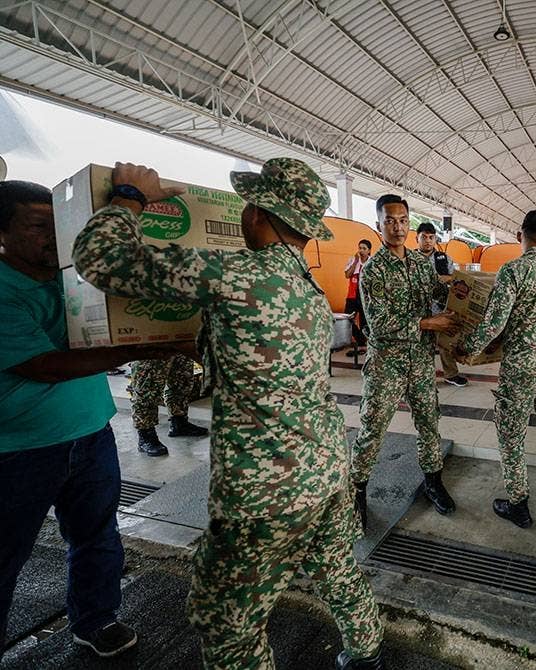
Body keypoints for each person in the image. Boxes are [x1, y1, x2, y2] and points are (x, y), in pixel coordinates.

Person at [72, 159, 385, 670]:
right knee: (337, 570)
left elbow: (101, 259)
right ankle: (367, 654)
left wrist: (129, 197)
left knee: (228, 624)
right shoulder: (307, 290)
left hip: (265, 489)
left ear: (258, 213)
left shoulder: (236, 272)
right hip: (325, 468)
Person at [0, 180, 184, 658]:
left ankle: (96, 619)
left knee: (97, 534)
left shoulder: (76, 278)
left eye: (59, 226)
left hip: (92, 434)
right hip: (20, 450)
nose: (54, 238)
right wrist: (130, 350)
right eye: (38, 227)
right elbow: (44, 365)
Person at [455, 210, 536, 528]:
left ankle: (518, 503)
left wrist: (468, 347)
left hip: (523, 364)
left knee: (511, 434)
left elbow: (495, 323)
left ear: (519, 235)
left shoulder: (513, 270)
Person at [351, 195, 459, 532]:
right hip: (387, 364)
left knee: (429, 423)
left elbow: (436, 296)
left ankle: (433, 481)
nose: (397, 227)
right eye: (389, 221)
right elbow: (379, 323)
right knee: (373, 429)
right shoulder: (373, 270)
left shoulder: (420, 263)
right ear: (379, 224)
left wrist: (461, 292)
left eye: (402, 220)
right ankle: (356, 492)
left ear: (408, 224)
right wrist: (429, 323)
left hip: (421, 362)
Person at [415, 221, 467, 387]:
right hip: (417, 311)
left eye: (431, 237)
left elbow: (455, 280)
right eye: (424, 237)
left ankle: (451, 374)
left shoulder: (443, 259)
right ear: (417, 238)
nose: (428, 241)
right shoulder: (410, 259)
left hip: (440, 309)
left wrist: (447, 278)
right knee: (420, 345)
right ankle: (421, 377)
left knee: (445, 342)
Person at [129, 354, 207, 457]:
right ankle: (146, 436)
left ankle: (179, 422)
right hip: (150, 348)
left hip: (177, 345)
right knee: (147, 388)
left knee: (182, 379)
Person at [344, 239, 373, 349]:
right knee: (347, 319)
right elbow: (347, 275)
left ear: (369, 251)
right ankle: (361, 339)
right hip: (352, 295)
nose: (361, 250)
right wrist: (356, 262)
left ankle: (364, 343)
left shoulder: (373, 263)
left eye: (364, 248)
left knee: (365, 321)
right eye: (360, 248)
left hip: (366, 297)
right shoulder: (353, 260)